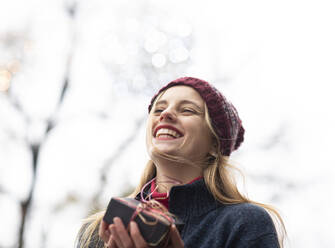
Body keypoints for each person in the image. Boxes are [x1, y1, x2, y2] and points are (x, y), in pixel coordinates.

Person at [76, 77, 286, 248]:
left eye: (187, 110)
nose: (165, 114)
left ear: (215, 144)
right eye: (158, 110)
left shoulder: (243, 223)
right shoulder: (98, 230)